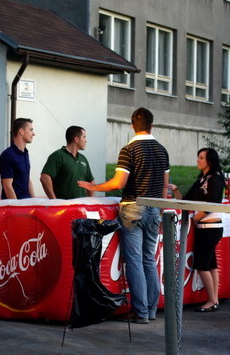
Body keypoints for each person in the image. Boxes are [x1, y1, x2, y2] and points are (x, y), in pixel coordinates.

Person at [78, 107, 169, 324]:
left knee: (135, 261)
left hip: (133, 208)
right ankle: (152, 309)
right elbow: (165, 186)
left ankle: (141, 312)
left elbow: (119, 183)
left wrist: (94, 185)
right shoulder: (162, 150)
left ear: (132, 126)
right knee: (149, 260)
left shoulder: (129, 149)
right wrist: (160, 211)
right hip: (155, 208)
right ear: (151, 125)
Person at [168, 148, 225, 312]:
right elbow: (186, 200)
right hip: (205, 228)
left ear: (210, 161)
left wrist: (196, 217)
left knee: (201, 264)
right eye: (198, 157)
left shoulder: (216, 179)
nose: (197, 160)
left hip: (211, 227)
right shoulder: (202, 179)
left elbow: (213, 202)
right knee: (211, 264)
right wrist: (175, 189)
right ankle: (214, 299)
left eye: (201, 158)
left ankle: (212, 300)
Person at [40, 126, 95, 199]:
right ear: (76, 139)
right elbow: (44, 178)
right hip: (64, 207)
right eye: (84, 137)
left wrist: (90, 202)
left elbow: (91, 181)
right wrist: (54, 201)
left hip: (82, 207)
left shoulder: (83, 159)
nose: (86, 141)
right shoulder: (58, 156)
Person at [0, 118, 36, 199]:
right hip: (16, 206)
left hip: (27, 202)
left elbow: (27, 178)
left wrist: (35, 201)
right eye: (31, 130)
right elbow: (7, 186)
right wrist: (17, 207)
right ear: (21, 131)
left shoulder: (25, 153)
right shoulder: (8, 155)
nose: (33, 134)